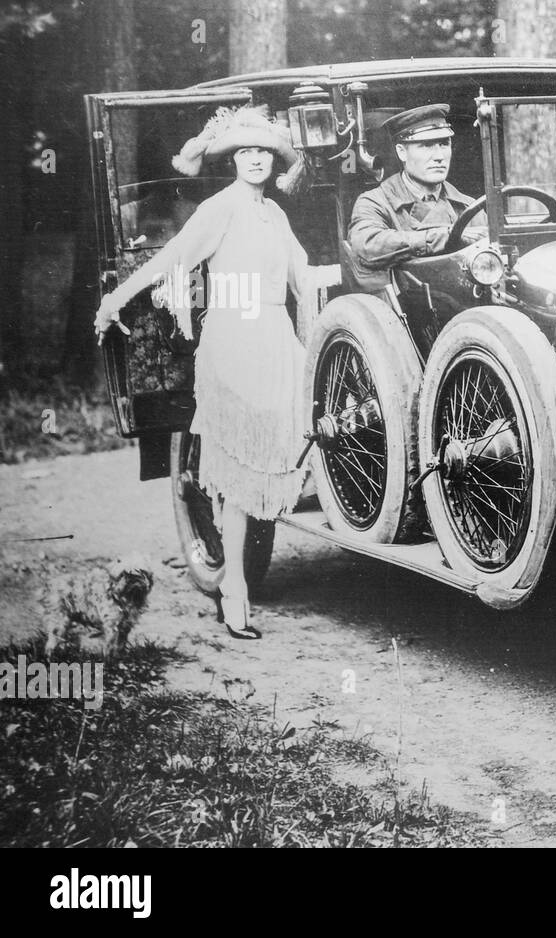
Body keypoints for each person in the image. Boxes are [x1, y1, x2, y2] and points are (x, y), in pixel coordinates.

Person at [94, 104, 338, 640]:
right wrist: (116, 296)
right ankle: (234, 590)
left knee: (308, 431)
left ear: (274, 162)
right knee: (233, 469)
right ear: (232, 160)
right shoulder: (220, 208)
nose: (255, 161)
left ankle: (249, 573)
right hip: (233, 338)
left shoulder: (275, 214)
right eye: (244, 152)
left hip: (275, 339)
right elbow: (175, 256)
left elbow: (303, 275)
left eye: (263, 153)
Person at [347, 103, 487, 287]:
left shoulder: (469, 207)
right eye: (426, 145)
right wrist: (445, 236)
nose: (439, 156)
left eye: (444, 144)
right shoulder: (375, 202)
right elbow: (367, 246)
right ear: (402, 152)